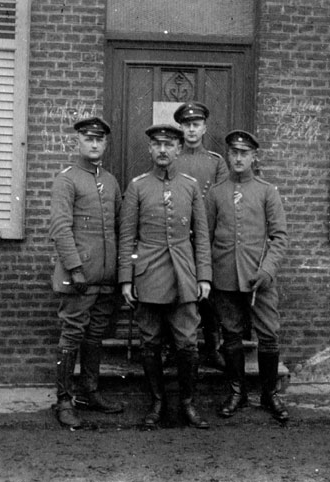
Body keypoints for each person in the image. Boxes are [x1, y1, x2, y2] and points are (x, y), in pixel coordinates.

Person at [118, 124, 212, 430]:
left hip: (184, 276)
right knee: (150, 343)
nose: (162, 150)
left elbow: (201, 236)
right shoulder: (138, 186)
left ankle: (187, 403)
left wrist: (204, 277)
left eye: (169, 145)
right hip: (148, 276)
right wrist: (127, 279)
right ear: (149, 149)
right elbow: (127, 236)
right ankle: (157, 402)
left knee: (187, 344)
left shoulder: (190, 186)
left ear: (179, 149)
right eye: (157, 144)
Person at [205, 130, 289, 423]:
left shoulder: (267, 191)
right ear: (228, 155)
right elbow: (207, 236)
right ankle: (237, 392)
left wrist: (266, 271)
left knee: (268, 335)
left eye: (244, 153)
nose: (238, 158)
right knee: (231, 336)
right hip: (225, 277)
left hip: (259, 278)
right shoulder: (215, 193)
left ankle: (268, 394)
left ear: (255, 156)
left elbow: (279, 238)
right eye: (233, 152)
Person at [49, 116, 124, 429]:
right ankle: (64, 400)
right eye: (88, 138)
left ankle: (89, 392)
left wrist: (120, 272)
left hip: (106, 278)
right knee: (72, 334)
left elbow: (119, 227)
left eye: (100, 139)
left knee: (95, 336)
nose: (94, 144)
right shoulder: (67, 179)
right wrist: (75, 268)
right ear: (77, 141)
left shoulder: (110, 180)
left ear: (105, 143)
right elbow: (60, 227)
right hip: (79, 278)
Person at [173, 101, 229, 371]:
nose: (191, 130)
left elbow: (223, 201)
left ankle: (212, 347)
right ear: (180, 128)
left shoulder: (216, 163)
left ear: (205, 127)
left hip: (207, 238)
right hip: (179, 239)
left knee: (209, 297)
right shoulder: (173, 158)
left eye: (196, 125)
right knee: (176, 292)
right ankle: (174, 347)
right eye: (186, 125)